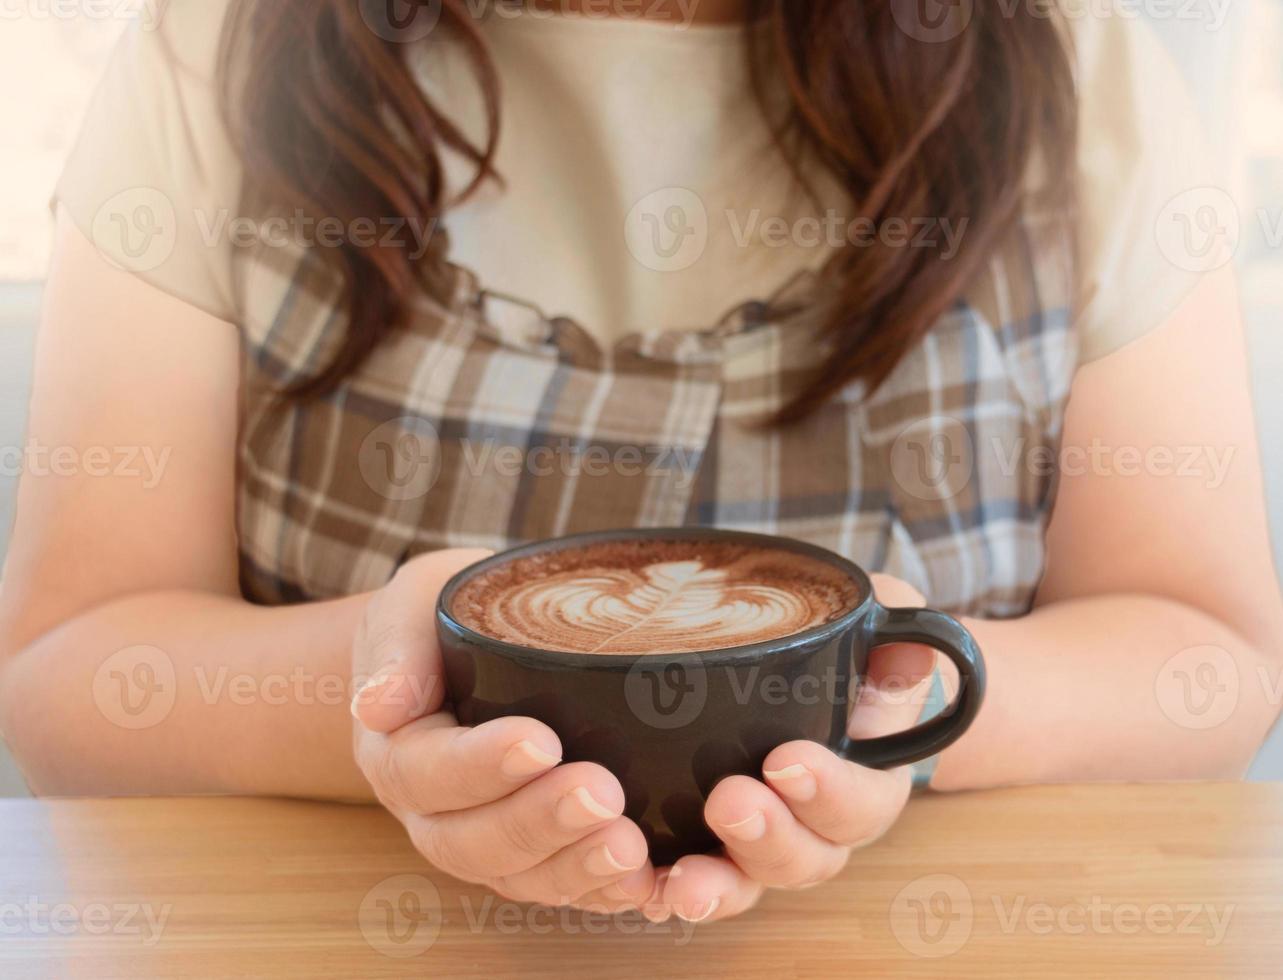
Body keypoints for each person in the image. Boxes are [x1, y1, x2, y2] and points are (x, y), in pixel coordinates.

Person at [1, 0, 1278, 924]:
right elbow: (69, 672)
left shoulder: (1073, 65)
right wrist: (390, 695)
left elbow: (1206, 655)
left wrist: (882, 712)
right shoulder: (213, 52)